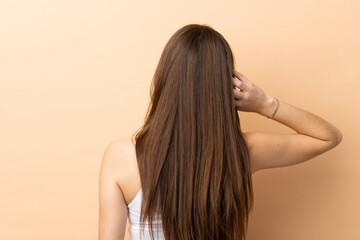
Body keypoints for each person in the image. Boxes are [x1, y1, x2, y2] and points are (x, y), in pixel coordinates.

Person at [98, 24, 343, 240]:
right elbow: (327, 136)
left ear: (164, 80)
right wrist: (263, 103)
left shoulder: (122, 157)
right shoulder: (243, 152)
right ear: (223, 86)